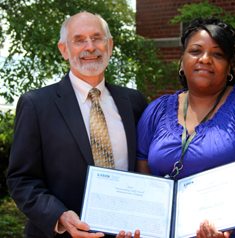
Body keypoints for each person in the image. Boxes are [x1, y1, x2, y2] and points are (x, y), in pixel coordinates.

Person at [136, 17, 235, 238]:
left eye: (217, 54)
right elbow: (143, 174)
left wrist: (224, 219)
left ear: (229, 67)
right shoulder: (157, 110)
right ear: (182, 63)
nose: (205, 59)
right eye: (195, 51)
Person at [7, 12, 147, 238]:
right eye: (79, 40)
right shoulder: (36, 105)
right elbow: (21, 179)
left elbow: (144, 166)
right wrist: (59, 216)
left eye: (97, 38)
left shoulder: (133, 101)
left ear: (109, 45)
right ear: (64, 50)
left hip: (125, 233)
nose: (90, 47)